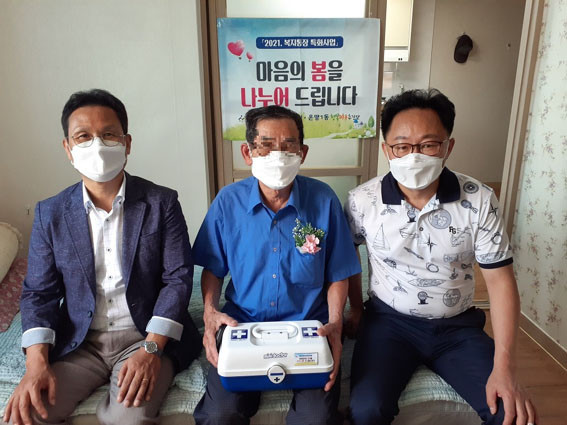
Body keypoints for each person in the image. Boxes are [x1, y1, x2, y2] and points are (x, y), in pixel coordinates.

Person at [3, 89, 201, 425]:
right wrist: (36, 363)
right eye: (83, 136)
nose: (97, 145)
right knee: (23, 416)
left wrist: (152, 349)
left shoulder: (161, 202)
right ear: (68, 148)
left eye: (109, 134)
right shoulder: (51, 214)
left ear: (126, 143)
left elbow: (178, 279)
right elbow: (39, 292)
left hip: (144, 336)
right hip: (80, 343)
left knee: (128, 419)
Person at [345, 89, 537, 425]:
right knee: (366, 409)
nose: (414, 156)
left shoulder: (479, 200)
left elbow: (500, 283)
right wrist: (357, 310)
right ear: (387, 149)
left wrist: (505, 367)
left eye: (429, 145)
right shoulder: (362, 201)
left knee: (511, 413)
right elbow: (347, 257)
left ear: (448, 147)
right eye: (402, 146)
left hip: (457, 328)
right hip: (389, 324)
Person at [192, 105, 361, 425]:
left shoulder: (323, 199)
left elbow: (339, 271)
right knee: (219, 414)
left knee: (316, 418)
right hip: (243, 323)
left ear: (303, 153)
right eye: (266, 145)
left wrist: (336, 323)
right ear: (247, 152)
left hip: (308, 325)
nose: (278, 155)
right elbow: (213, 267)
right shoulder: (228, 201)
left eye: (288, 146)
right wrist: (210, 312)